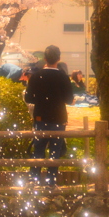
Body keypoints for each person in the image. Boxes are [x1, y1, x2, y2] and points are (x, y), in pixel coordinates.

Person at [24, 45, 73, 188]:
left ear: (44, 58)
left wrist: (40, 99)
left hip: (41, 117)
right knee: (55, 151)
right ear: (59, 58)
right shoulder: (63, 77)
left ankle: (34, 180)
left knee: (38, 149)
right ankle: (51, 182)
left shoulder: (37, 76)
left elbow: (29, 99)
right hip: (59, 118)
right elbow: (69, 99)